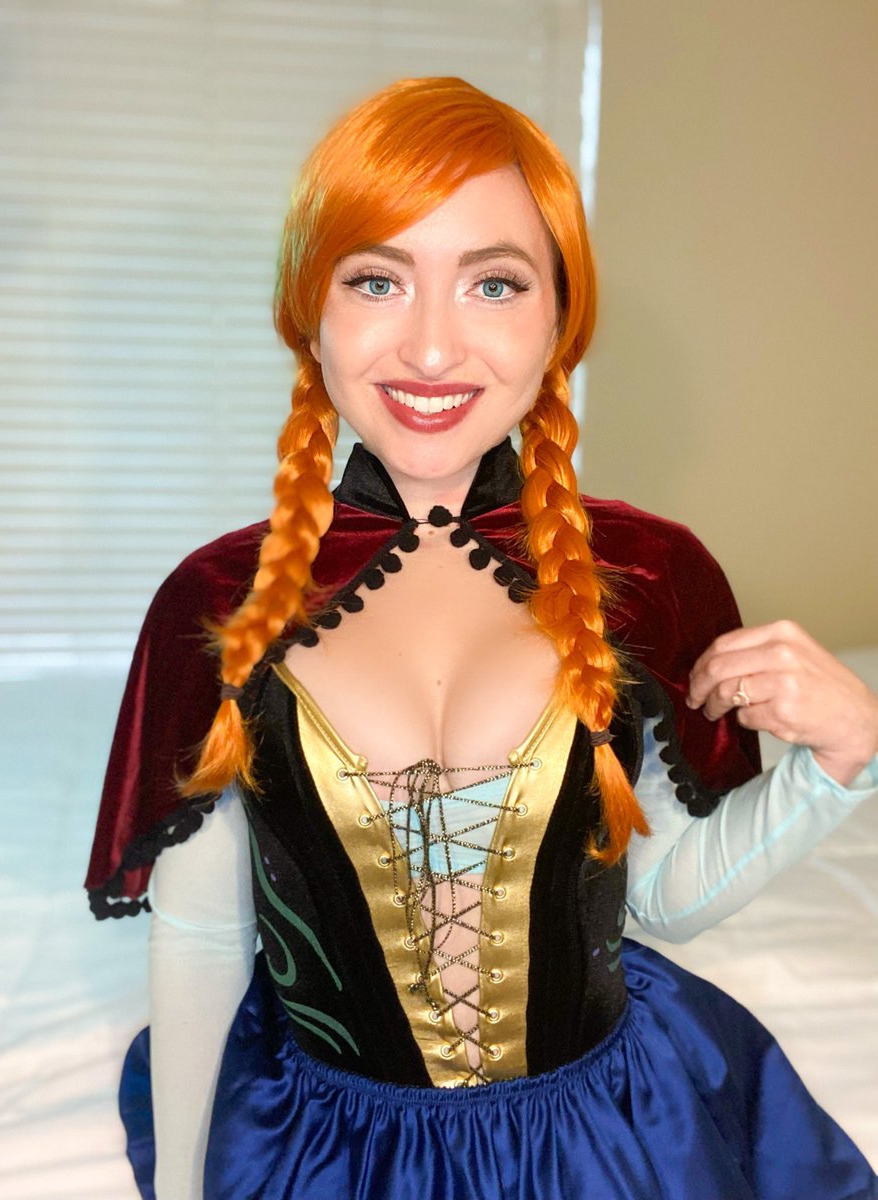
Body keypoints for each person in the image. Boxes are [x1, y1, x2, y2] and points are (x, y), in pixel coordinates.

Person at [88, 77, 878, 1199]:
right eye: (377, 280)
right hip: (331, 1150)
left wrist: (843, 764)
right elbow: (206, 933)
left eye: (493, 283)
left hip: (608, 1137)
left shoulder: (650, 578)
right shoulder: (216, 602)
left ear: (560, 319)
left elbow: (660, 896)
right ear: (310, 314)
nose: (430, 347)